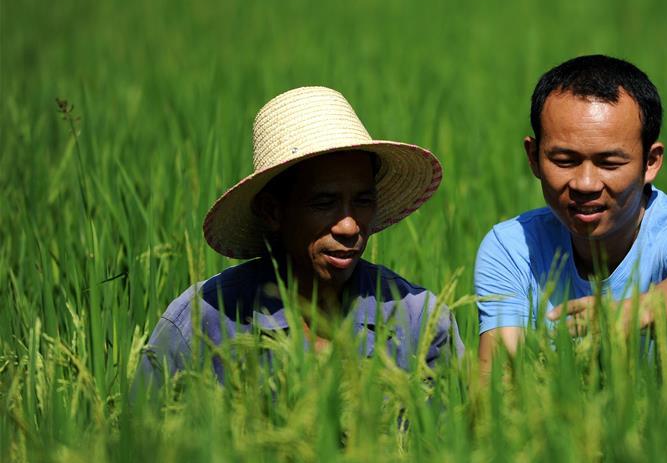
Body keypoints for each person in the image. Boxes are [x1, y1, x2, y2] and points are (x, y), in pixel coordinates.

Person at [139, 86, 461, 385]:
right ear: (273, 211)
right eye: (324, 202)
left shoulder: (420, 322)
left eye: (363, 201)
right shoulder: (202, 324)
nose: (349, 227)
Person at [475, 55, 667, 367]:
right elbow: (498, 385)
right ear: (533, 157)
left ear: (651, 162)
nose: (585, 183)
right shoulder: (513, 248)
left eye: (609, 163)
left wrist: (632, 312)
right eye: (564, 160)